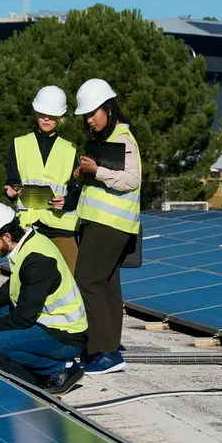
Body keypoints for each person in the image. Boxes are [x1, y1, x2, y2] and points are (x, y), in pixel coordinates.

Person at [0, 202, 87, 393]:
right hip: (46, 324)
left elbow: (23, 318)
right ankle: (30, 363)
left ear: (7, 236)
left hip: (65, 336)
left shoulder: (37, 261)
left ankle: (61, 369)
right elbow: (14, 286)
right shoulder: (28, 243)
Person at [71, 78, 141, 375]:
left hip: (109, 226)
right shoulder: (107, 140)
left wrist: (96, 171)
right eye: (86, 116)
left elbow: (132, 180)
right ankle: (111, 348)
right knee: (108, 286)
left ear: (109, 109)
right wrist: (82, 175)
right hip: (105, 224)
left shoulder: (123, 139)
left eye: (93, 113)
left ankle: (102, 350)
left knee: (87, 281)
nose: (89, 120)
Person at [4, 86, 81, 273]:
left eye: (51, 114)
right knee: (25, 281)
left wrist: (66, 201)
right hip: (27, 226)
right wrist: (11, 191)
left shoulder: (70, 149)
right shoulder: (19, 144)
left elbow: (77, 190)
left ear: (60, 117)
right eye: (42, 113)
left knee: (70, 281)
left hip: (61, 227)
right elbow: (12, 181)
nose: (46, 118)